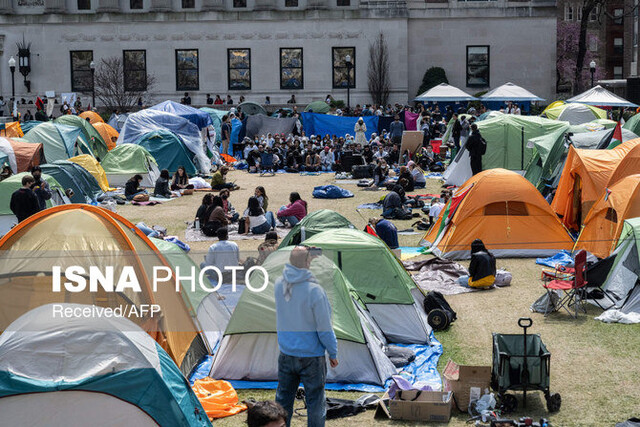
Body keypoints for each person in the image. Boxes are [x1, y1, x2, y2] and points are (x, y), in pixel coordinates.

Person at [274, 246, 338, 427]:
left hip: (286, 353)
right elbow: (324, 327)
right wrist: (333, 352)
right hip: (311, 357)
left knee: (283, 400)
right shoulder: (315, 291)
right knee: (315, 401)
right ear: (308, 262)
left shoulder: (279, 284)